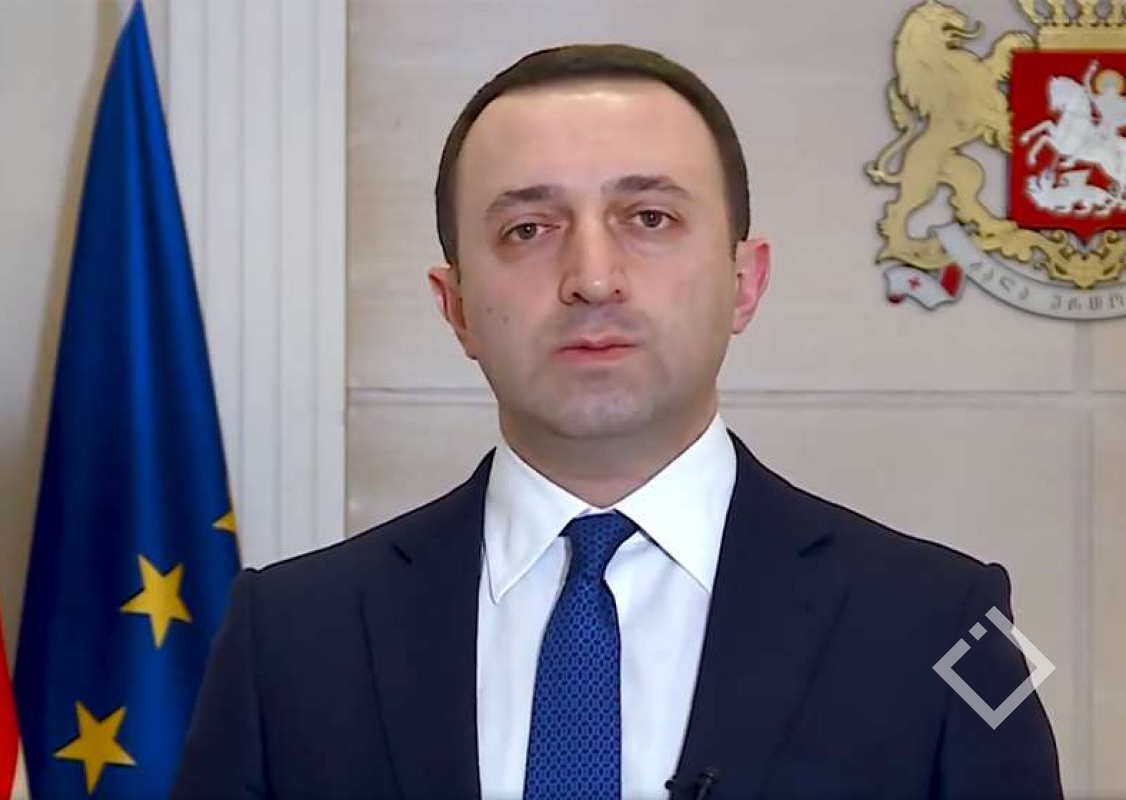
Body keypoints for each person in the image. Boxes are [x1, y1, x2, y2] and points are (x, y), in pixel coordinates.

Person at [173, 44, 1062, 799]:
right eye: (528, 229)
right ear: (457, 307)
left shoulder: (952, 623)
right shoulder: (283, 639)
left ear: (744, 282)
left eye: (650, 218)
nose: (593, 278)